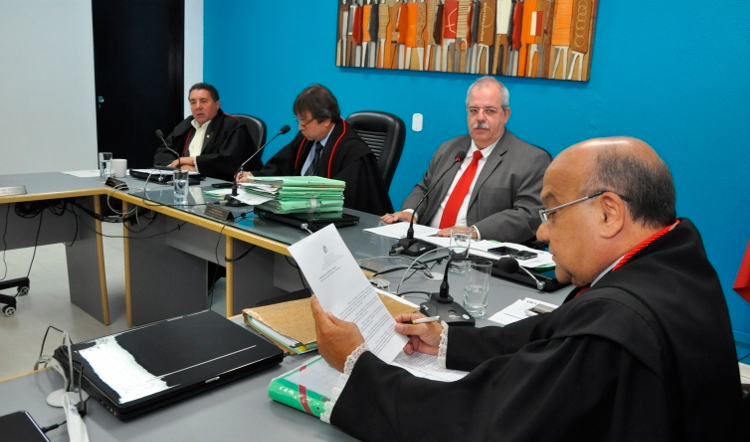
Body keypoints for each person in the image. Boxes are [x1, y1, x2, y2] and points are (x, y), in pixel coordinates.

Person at [311, 136, 744, 441]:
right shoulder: (674, 260)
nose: (541, 232)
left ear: (609, 213)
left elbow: (486, 423)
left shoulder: (617, 325)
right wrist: (446, 341)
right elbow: (557, 331)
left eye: (552, 212)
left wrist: (358, 366)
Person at [380, 76, 550, 243]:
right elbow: (425, 188)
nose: (480, 118)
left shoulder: (531, 160)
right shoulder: (449, 149)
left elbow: (529, 214)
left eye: (489, 111)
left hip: (476, 250)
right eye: (474, 110)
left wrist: (474, 231)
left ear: (506, 115)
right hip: (427, 243)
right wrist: (411, 212)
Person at [238, 84, 393, 215]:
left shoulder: (353, 152)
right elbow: (281, 168)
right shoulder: (305, 138)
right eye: (298, 120)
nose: (300, 127)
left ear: (326, 120)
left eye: (304, 121)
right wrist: (255, 177)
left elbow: (347, 199)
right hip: (298, 214)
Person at [154, 82, 260, 181]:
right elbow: (163, 152)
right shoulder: (187, 124)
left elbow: (228, 161)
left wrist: (191, 162)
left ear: (217, 104)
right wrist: (181, 166)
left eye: (203, 101)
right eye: (193, 102)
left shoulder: (233, 126)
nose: (198, 107)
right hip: (187, 183)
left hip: (221, 186)